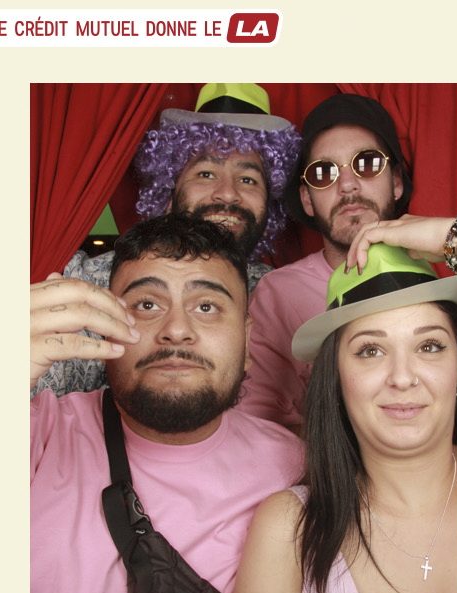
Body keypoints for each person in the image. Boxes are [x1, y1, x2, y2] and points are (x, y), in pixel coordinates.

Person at [30, 214, 303, 593]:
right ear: (105, 325)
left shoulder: (298, 471)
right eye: (147, 305)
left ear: (247, 341)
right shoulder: (37, 434)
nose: (176, 331)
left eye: (207, 306)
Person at [230, 243, 457, 593]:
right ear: (335, 374)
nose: (403, 377)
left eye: (429, 346)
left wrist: (455, 235)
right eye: (371, 350)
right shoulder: (289, 529)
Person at [34, 84, 300, 398]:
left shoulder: (283, 296)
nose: (228, 194)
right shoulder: (90, 284)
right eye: (206, 174)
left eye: (247, 179)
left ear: (268, 207)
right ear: (168, 195)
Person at [241, 93, 418, 430]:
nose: (348, 185)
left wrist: (451, 239)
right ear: (307, 199)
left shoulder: (443, 268)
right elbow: (257, 424)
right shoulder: (279, 294)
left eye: (367, 164)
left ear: (396, 182)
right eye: (324, 173)